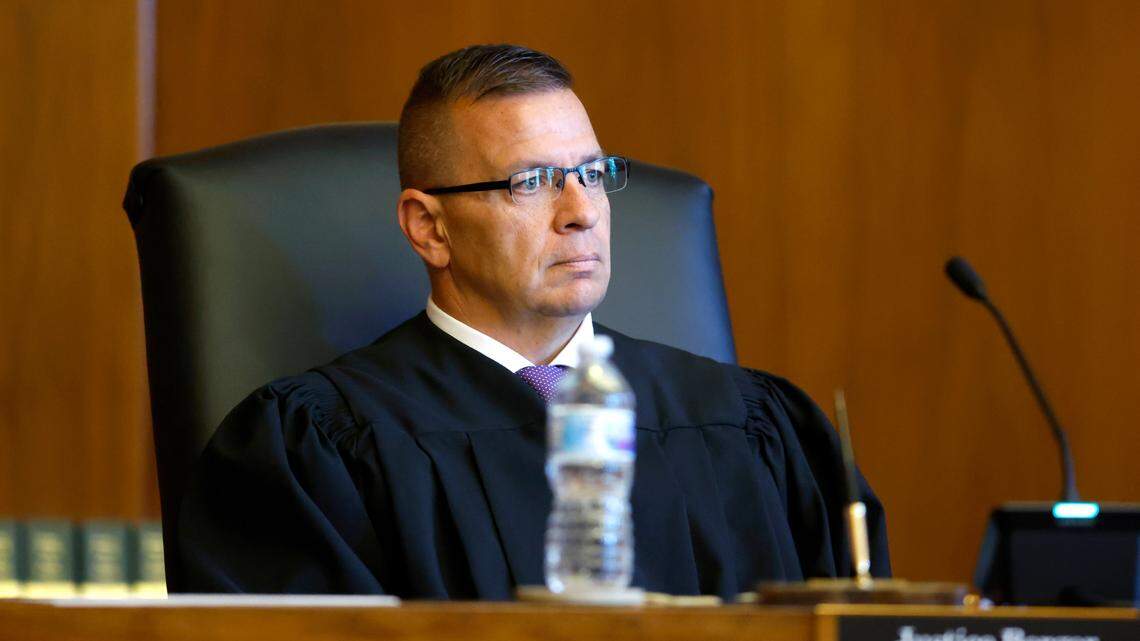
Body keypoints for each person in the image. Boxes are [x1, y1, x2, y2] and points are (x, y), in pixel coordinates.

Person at [179, 44, 890, 599]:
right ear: (429, 228)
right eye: (532, 182)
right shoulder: (320, 449)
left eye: (593, 173)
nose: (580, 210)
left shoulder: (753, 427)